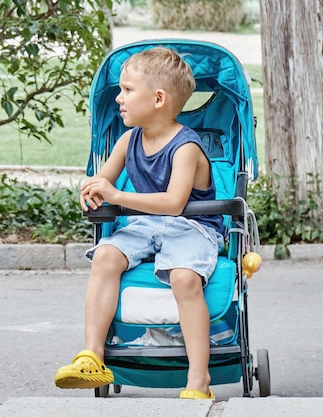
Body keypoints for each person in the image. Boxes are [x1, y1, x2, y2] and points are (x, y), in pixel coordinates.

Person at [53, 46, 225, 400]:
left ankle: (198, 379)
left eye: (128, 90)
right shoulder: (128, 139)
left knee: (183, 277)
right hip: (146, 224)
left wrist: (115, 196)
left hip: (192, 226)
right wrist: (92, 192)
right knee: (105, 256)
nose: (119, 98)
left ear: (158, 98)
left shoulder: (186, 147)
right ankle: (92, 356)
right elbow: (102, 180)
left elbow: (174, 203)